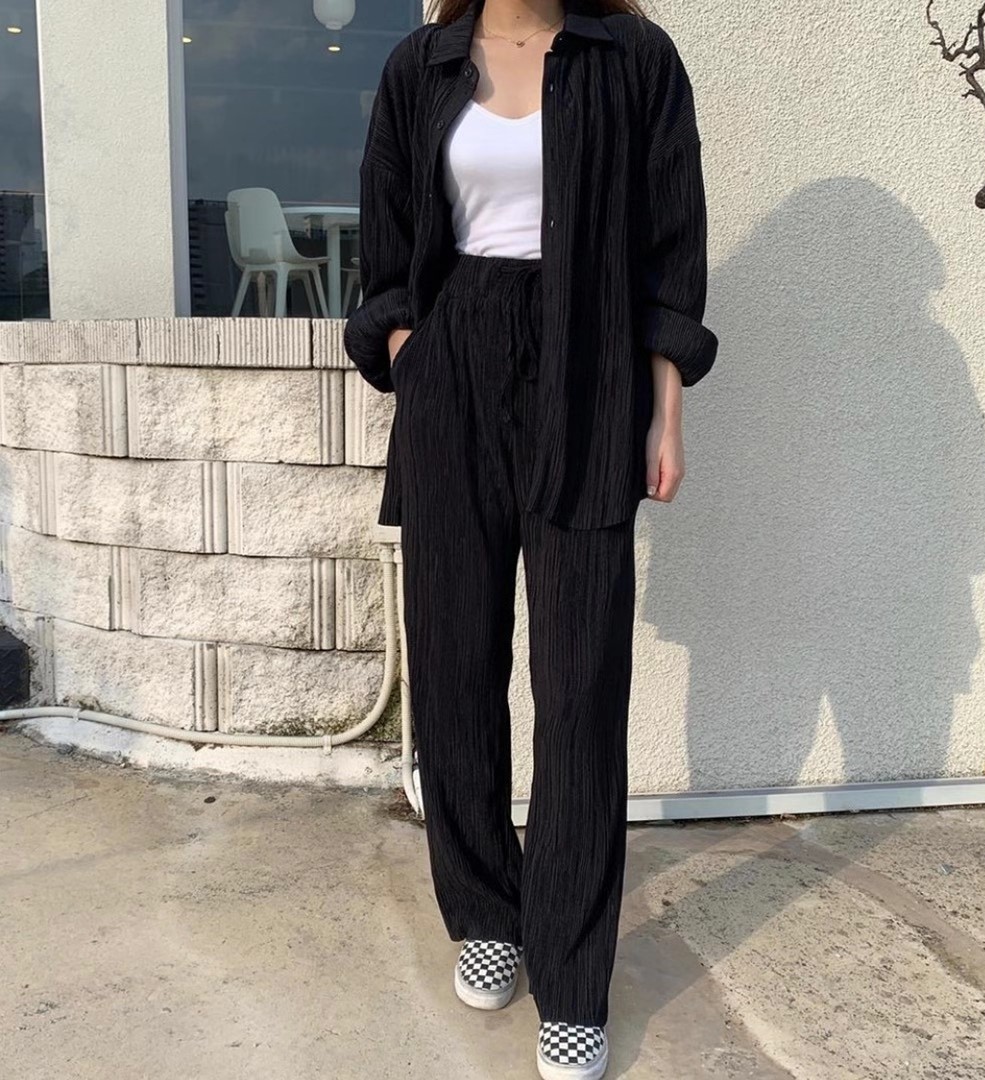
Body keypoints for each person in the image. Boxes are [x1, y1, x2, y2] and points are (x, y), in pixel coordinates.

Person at [343, 0, 716, 1076]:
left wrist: (664, 410)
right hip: (453, 372)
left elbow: (669, 244)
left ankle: (573, 974)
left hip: (589, 373)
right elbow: (387, 244)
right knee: (456, 671)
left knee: (581, 686)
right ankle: (487, 915)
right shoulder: (422, 65)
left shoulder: (633, 59)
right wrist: (413, 352)